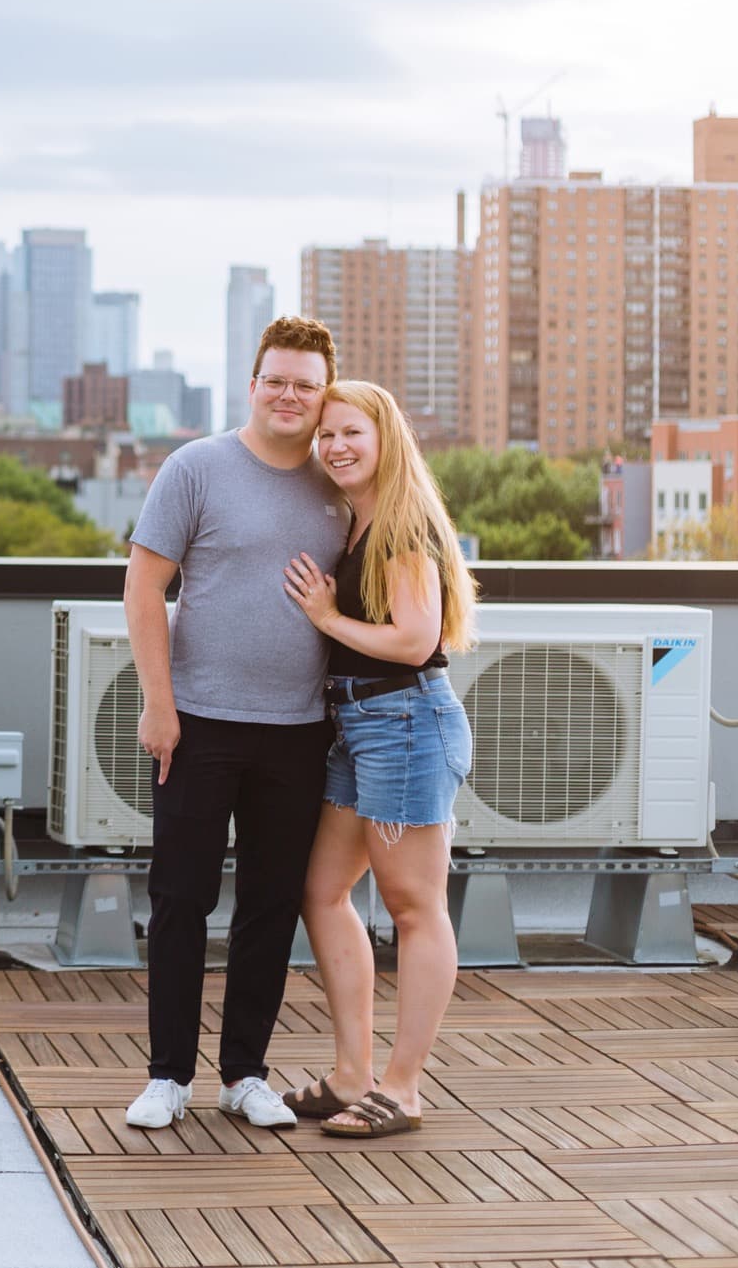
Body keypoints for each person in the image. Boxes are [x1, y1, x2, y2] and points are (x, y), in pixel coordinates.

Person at [121, 316, 349, 1131]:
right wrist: (158, 701)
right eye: (275, 379)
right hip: (198, 722)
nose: (289, 395)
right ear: (251, 384)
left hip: (298, 728)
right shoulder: (196, 468)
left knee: (269, 903)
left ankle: (244, 1072)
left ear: (324, 394)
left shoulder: (341, 485)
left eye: (306, 383)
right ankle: (168, 1075)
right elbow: (143, 587)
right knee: (179, 897)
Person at [280, 380, 477, 1138]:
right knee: (322, 890)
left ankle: (401, 1088)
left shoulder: (398, 524)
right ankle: (350, 1073)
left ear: (384, 436)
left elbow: (413, 638)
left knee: (412, 907)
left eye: (349, 432)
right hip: (358, 725)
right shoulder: (356, 522)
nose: (334, 446)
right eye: (324, 435)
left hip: (404, 721)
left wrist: (326, 616)